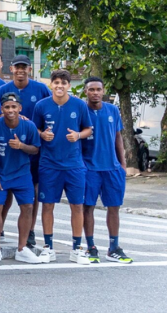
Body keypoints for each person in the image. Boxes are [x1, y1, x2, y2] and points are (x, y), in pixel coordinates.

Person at [34, 69, 94, 265]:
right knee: (48, 205)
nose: (59, 86)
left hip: (74, 164)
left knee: (77, 206)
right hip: (49, 164)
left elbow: (88, 129)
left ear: (69, 85)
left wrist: (78, 135)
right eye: (56, 82)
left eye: (63, 83)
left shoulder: (79, 105)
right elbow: (35, 128)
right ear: (51, 84)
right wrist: (42, 134)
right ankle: (48, 247)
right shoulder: (41, 105)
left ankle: (77, 249)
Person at [0, 55, 51, 248]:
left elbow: (48, 114)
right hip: (8, 147)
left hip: (31, 146)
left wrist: (40, 132)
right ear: (11, 69)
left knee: (32, 191)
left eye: (24, 67)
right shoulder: (3, 89)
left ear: (29, 69)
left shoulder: (41, 89)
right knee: (6, 190)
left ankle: (30, 231)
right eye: (17, 67)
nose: (21, 70)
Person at [0, 92, 43, 264]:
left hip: (22, 174)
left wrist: (21, 146)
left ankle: (22, 248)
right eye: (7, 107)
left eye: (14, 107)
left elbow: (36, 149)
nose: (10, 110)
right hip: (1, 175)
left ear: (20, 108)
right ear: (2, 109)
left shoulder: (29, 126)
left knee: (27, 207)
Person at [82, 76, 132, 264]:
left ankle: (114, 247)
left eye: (98, 89)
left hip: (112, 168)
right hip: (89, 168)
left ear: (103, 91)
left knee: (114, 207)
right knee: (88, 207)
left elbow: (118, 136)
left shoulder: (112, 110)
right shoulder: (81, 110)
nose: (95, 93)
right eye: (91, 89)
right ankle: (91, 246)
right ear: (85, 91)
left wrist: (123, 164)